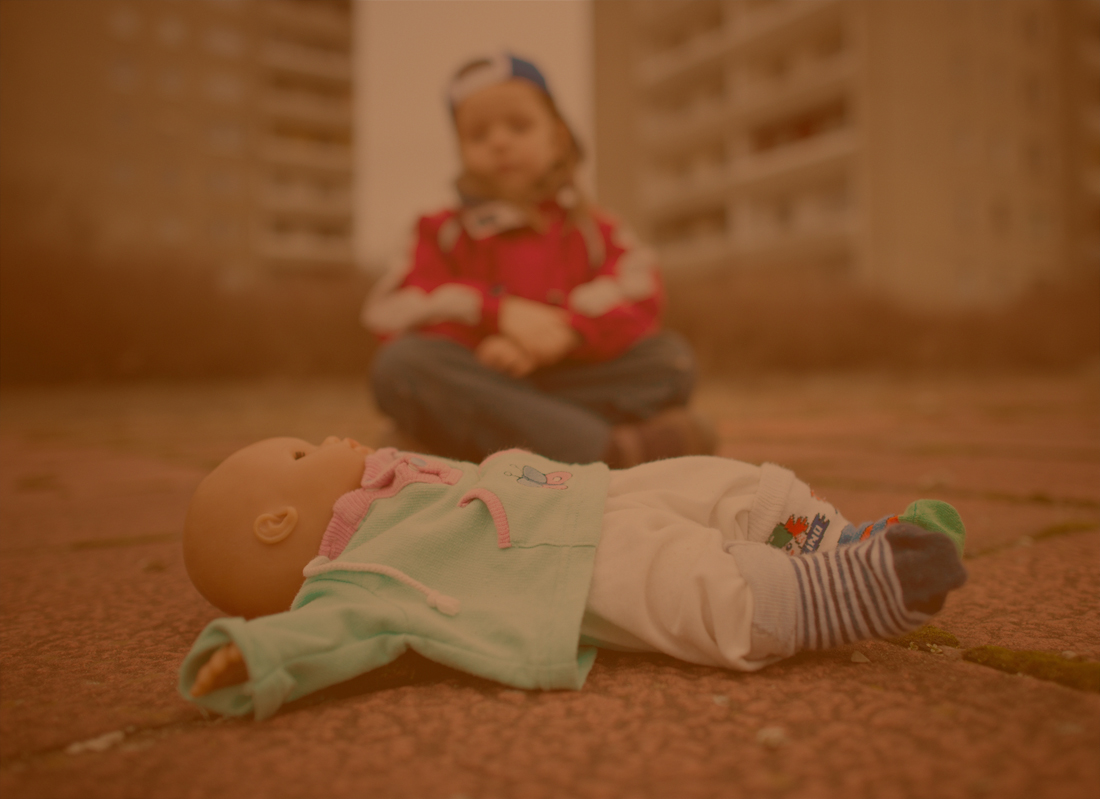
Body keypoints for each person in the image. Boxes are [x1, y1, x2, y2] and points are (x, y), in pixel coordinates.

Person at [178, 436, 967, 720]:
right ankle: (832, 598)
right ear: (275, 522)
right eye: (301, 451)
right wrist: (256, 657)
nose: (330, 439)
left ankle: (836, 541)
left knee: (721, 484)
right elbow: (321, 634)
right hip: (565, 568)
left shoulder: (390, 477)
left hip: (589, 491)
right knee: (684, 584)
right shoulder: (354, 577)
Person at [363, 53, 713, 467]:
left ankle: (461, 444)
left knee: (671, 362)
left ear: (558, 138)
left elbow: (639, 292)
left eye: (519, 126)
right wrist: (496, 314)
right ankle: (613, 453)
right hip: (481, 377)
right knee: (401, 368)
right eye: (478, 134)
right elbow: (392, 310)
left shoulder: (594, 229)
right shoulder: (438, 230)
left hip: (567, 374)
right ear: (461, 149)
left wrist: (568, 331)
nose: (499, 142)